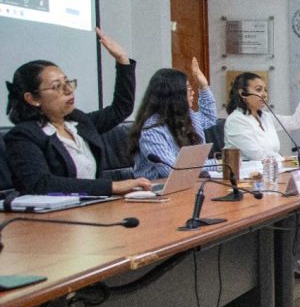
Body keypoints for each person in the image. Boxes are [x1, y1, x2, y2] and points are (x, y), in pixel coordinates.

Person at [4, 28, 151, 196]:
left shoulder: (79, 122)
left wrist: (122, 61)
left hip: (94, 206)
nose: (68, 90)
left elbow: (121, 109)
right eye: (57, 86)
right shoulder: (23, 136)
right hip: (56, 212)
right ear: (32, 98)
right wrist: (111, 187)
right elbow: (40, 184)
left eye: (67, 82)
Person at [129, 58, 216, 180]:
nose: (192, 93)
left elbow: (209, 118)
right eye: (188, 88)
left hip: (191, 181)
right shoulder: (152, 129)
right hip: (158, 188)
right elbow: (173, 170)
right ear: (174, 94)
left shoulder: (188, 117)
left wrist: (204, 86)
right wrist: (217, 164)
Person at [224, 70, 300, 160]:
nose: (264, 95)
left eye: (265, 90)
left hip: (273, 167)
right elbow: (258, 156)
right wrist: (284, 159)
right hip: (249, 169)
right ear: (242, 93)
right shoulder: (236, 120)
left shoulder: (265, 117)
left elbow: (295, 122)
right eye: (258, 89)